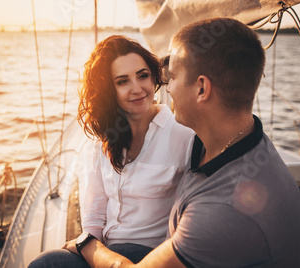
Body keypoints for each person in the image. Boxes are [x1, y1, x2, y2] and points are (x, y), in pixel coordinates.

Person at [62, 18, 300, 267]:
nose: (165, 89)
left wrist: (88, 245)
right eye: (123, 81)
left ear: (201, 88)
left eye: (173, 77)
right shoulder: (230, 146)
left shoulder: (220, 208)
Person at [28, 35, 194, 267]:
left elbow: (186, 221)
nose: (137, 89)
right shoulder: (104, 140)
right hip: (103, 251)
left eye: (143, 76)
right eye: (123, 81)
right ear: (109, 90)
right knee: (45, 263)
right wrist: (92, 247)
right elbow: (95, 209)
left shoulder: (184, 135)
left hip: (152, 255)